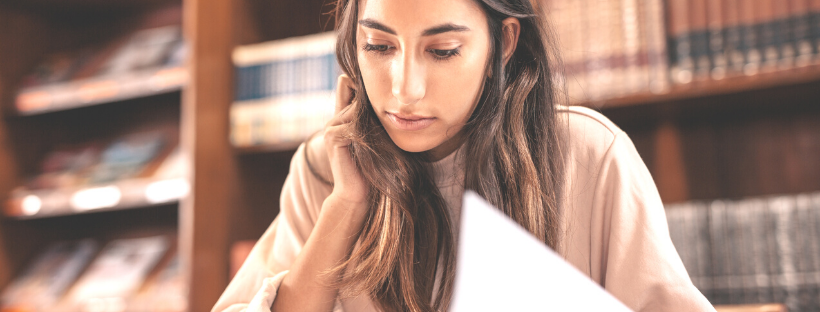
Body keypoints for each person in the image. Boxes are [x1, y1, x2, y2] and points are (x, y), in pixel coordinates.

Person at [213, 0, 715, 311]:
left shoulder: (589, 156)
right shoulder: (325, 166)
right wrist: (346, 207)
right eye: (379, 46)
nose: (403, 90)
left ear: (504, 43)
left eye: (443, 50)